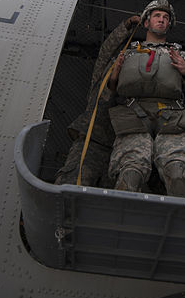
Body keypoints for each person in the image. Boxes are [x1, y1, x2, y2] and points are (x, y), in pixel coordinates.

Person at [107, 0, 185, 198]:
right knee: (130, 174)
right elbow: (105, 96)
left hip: (173, 120)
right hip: (132, 119)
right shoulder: (126, 54)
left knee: (178, 172)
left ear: (169, 25)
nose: (162, 20)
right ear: (146, 22)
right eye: (157, 16)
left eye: (166, 17)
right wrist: (113, 78)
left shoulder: (182, 57)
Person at [54, 15, 140, 186]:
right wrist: (126, 26)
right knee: (73, 188)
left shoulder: (134, 93)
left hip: (118, 151)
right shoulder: (101, 80)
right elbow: (106, 51)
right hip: (89, 144)